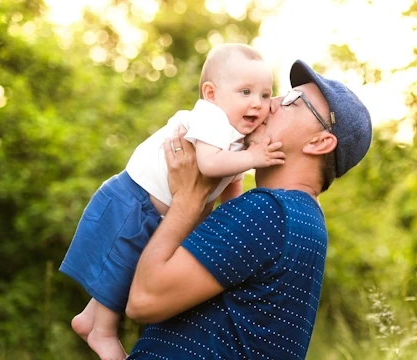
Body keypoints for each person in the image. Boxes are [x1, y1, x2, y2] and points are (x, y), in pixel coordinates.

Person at [124, 59, 373, 359]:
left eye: (293, 101)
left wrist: (186, 200)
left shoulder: (269, 211)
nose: (269, 105)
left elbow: (144, 300)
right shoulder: (302, 219)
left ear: (319, 142)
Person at [59, 43, 285, 360]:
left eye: (265, 95)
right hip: (133, 202)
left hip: (155, 213)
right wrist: (254, 156)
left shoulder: (236, 139)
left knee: (127, 270)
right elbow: (208, 164)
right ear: (211, 93)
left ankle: (89, 317)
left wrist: (235, 212)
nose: (257, 104)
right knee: (123, 262)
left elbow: (231, 183)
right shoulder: (212, 119)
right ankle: (102, 331)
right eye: (245, 92)